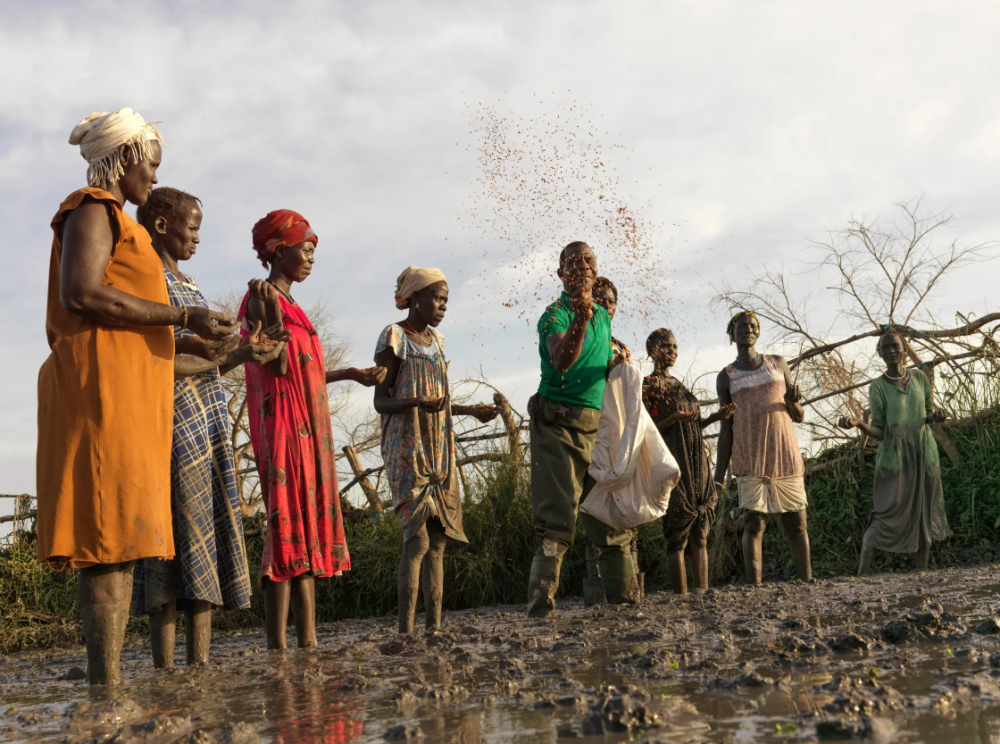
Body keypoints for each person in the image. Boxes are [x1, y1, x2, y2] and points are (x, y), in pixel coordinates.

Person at [37, 109, 238, 685]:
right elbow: (81, 292)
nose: (152, 179)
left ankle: (111, 682)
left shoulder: (121, 222)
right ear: (124, 159)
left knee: (122, 540)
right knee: (106, 540)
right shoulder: (94, 208)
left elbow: (131, 322)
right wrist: (182, 312)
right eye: (150, 166)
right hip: (100, 391)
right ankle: (106, 684)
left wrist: (202, 342)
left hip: (126, 392)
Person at [132, 188, 287, 667]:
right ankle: (163, 669)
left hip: (207, 421)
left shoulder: (191, 286)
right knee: (167, 549)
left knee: (203, 542)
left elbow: (206, 363)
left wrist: (238, 353)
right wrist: (213, 354)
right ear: (162, 225)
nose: (197, 238)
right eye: (192, 227)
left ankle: (197, 666)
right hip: (171, 423)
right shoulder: (147, 283)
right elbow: (154, 360)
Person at [240, 209, 386, 650]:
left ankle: (308, 642)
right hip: (283, 424)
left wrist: (348, 374)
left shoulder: (296, 306)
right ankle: (278, 648)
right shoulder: (259, 302)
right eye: (305, 250)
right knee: (285, 525)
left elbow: (306, 372)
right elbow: (278, 363)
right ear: (279, 251)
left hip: (310, 427)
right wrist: (268, 311)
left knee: (306, 529)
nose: (311, 259)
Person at [374, 266, 498, 633]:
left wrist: (469, 411)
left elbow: (439, 401)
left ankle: (436, 629)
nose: (443, 306)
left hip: (440, 449)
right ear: (415, 297)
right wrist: (416, 402)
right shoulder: (394, 337)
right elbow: (382, 402)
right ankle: (405, 630)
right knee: (418, 540)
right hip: (408, 450)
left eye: (446, 300)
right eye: (437, 298)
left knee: (439, 541)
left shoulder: (438, 342)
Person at [527, 242, 631, 618]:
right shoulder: (554, 316)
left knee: (609, 514)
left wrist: (619, 362)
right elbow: (562, 360)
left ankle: (625, 602)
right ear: (561, 275)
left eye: (588, 260)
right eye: (572, 262)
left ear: (596, 271)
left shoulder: (602, 317)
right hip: (558, 428)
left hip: (598, 428)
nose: (581, 266)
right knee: (557, 520)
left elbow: (601, 365)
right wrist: (581, 317)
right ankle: (541, 605)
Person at [838, 329, 950, 574]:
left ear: (903, 349)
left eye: (894, 346)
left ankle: (922, 575)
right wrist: (860, 424)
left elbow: (928, 414)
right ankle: (860, 579)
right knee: (885, 512)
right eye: (885, 347)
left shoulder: (920, 379)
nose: (890, 351)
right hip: (893, 458)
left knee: (923, 510)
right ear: (879, 353)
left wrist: (937, 416)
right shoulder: (878, 386)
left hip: (923, 451)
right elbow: (880, 430)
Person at [713, 311, 812, 584]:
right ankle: (754, 587)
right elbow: (726, 430)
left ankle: (807, 581)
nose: (748, 329)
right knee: (754, 523)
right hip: (750, 455)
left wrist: (792, 401)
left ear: (759, 332)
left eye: (753, 326)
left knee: (797, 522)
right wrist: (718, 479)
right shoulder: (726, 377)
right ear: (732, 334)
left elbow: (799, 415)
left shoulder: (778, 364)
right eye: (742, 326)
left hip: (784, 453)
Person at [643, 329, 735, 594]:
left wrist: (716, 417)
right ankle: (681, 598)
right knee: (677, 537)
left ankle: (702, 594)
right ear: (652, 351)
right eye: (666, 346)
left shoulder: (679, 385)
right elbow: (645, 431)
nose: (673, 351)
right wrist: (672, 419)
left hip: (697, 464)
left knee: (700, 535)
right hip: (674, 465)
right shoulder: (649, 386)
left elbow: (692, 426)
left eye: (675, 346)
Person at [583, 277, 639, 604]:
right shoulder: (578, 338)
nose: (605, 304)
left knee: (620, 508)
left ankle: (627, 589)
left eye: (611, 301)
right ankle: (597, 587)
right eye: (599, 299)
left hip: (613, 431)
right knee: (592, 507)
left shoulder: (621, 348)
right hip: (583, 430)